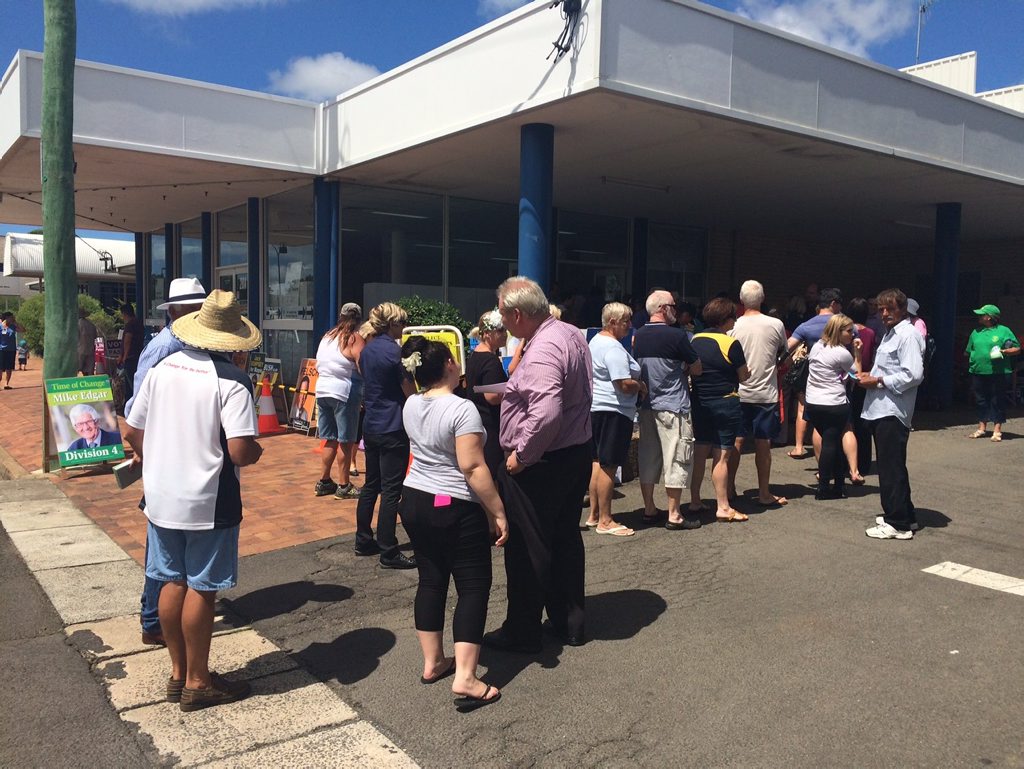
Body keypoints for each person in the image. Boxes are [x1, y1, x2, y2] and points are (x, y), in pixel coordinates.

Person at [122, 289, 263, 712]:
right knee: (202, 586)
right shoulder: (232, 381)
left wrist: (159, 457)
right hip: (209, 497)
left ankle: (178, 673)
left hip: (161, 493)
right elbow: (240, 451)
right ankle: (200, 682)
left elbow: (131, 430)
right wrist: (257, 451)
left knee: (171, 580)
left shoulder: (163, 367)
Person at [398, 336, 509, 712]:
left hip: (413, 499)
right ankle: (466, 676)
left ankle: (433, 662)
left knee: (431, 579)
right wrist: (497, 511)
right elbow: (473, 467)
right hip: (452, 503)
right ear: (449, 363)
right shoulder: (463, 410)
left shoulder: (412, 402)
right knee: (473, 584)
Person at [484, 276, 592, 653]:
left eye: (502, 315)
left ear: (516, 314)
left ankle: (522, 631)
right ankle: (569, 622)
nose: (501, 323)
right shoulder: (570, 333)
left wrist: (520, 456)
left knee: (528, 547)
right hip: (572, 452)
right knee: (564, 537)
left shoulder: (544, 346)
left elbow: (546, 413)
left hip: (541, 461)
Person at [857, 289, 925, 540]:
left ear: (903, 309)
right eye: (880, 308)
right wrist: (871, 377)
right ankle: (906, 515)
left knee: (890, 468)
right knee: (893, 465)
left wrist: (878, 381)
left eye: (890, 308)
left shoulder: (907, 335)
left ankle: (897, 523)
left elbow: (914, 374)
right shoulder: (891, 334)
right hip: (881, 408)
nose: (884, 313)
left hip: (892, 410)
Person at [354, 302, 417, 569]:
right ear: (392, 324)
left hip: (372, 424)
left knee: (372, 484)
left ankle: (363, 538)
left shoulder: (367, 350)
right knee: (391, 490)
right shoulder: (395, 352)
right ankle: (389, 549)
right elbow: (408, 391)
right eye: (401, 323)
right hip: (393, 425)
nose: (403, 328)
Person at [633, 289, 703, 529]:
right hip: (673, 405)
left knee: (648, 456)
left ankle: (649, 508)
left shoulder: (638, 336)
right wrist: (682, 369)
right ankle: (674, 514)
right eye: (674, 306)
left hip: (646, 405)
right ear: (663, 309)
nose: (677, 310)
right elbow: (696, 368)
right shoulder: (677, 336)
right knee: (676, 457)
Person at [584, 302, 645, 537]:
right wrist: (640, 385)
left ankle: (594, 515)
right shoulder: (613, 348)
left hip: (597, 408)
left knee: (598, 462)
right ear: (612, 322)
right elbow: (623, 383)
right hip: (614, 410)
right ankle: (606, 520)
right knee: (609, 465)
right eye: (625, 321)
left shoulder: (596, 342)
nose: (629, 326)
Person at [727, 280, 789, 507]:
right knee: (764, 444)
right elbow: (784, 355)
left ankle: (729, 488)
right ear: (762, 299)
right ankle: (764, 493)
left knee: (736, 441)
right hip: (766, 394)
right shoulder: (776, 324)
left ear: (741, 300)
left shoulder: (733, 326)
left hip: (739, 392)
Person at [689, 297, 750, 523]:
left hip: (700, 401)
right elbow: (743, 375)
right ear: (726, 319)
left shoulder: (695, 339)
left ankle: (695, 499)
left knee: (700, 451)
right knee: (722, 454)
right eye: (733, 316)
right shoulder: (730, 343)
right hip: (725, 400)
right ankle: (723, 506)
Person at [804, 314, 861, 500]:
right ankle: (824, 487)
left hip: (813, 403)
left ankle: (838, 484)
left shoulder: (817, 347)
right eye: (848, 331)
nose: (852, 335)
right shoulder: (841, 353)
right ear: (838, 331)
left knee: (832, 441)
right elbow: (857, 374)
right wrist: (857, 353)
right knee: (830, 443)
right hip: (833, 403)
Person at [314, 302, 365, 499]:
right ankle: (344, 485)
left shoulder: (327, 337)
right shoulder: (354, 338)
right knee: (346, 440)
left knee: (330, 438)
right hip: (344, 392)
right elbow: (363, 367)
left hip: (322, 390)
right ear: (359, 319)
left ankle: (324, 481)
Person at [786, 287, 843, 458]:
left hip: (812, 373)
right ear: (834, 304)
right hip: (838, 375)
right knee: (838, 421)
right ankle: (841, 462)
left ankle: (799, 447)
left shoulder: (806, 326)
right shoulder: (844, 324)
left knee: (803, 409)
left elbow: (788, 346)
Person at [964, 303, 1020, 442]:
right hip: (978, 370)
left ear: (989, 317)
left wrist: (1006, 351)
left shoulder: (1004, 331)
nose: (978, 317)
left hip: (998, 372)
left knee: (997, 399)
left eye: (981, 315)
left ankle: (997, 430)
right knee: (980, 399)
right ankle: (981, 428)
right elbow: (968, 351)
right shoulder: (976, 332)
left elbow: (1017, 348)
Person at [464, 309, 508, 478]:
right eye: (500, 330)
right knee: (492, 475)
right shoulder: (490, 361)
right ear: (488, 334)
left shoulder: (475, 356)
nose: (505, 334)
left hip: (477, 421)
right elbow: (493, 397)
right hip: (490, 425)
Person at [846, 298, 876, 477]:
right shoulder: (870, 333)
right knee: (864, 422)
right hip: (864, 377)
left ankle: (847, 461)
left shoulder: (847, 332)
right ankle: (863, 463)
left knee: (848, 423)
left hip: (847, 377)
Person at [118, 303, 145, 404]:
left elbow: (127, 341)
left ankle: (131, 407)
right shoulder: (139, 323)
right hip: (138, 356)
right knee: (133, 384)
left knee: (131, 386)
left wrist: (124, 357)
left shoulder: (129, 325)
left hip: (130, 358)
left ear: (125, 313)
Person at [0, 313, 20, 389]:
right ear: (6, 318)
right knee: (0, 368)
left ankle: (6, 384)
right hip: (1, 350)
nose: (12, 318)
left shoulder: (13, 326)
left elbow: (23, 330)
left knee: (9, 368)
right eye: (11, 317)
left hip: (11, 350)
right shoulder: (0, 327)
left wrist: (15, 322)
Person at [78, 309, 99, 376]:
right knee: (90, 371)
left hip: (79, 351)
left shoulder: (76, 324)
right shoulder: (91, 325)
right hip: (91, 350)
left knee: (77, 370)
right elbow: (95, 336)